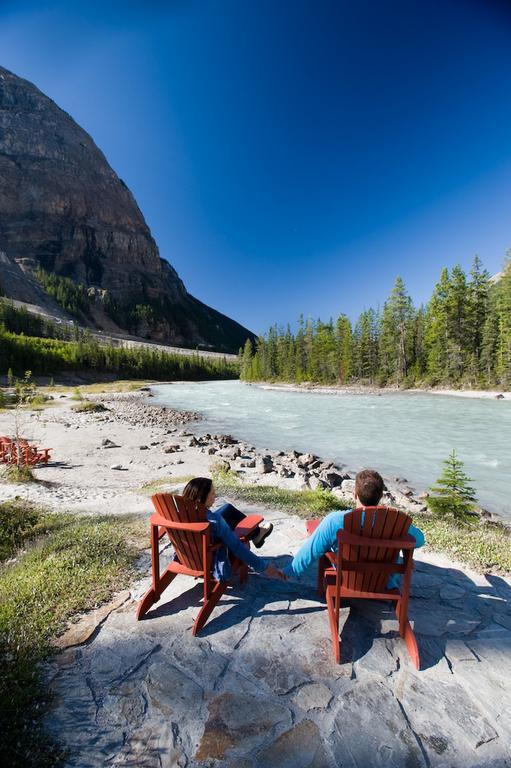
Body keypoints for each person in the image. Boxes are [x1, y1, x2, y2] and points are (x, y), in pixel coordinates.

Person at [283, 469, 425, 582]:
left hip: (348, 578)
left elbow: (311, 550)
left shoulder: (336, 520)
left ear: (354, 494)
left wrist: (288, 572)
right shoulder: (396, 522)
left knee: (323, 538)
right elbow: (419, 541)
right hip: (384, 580)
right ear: (381, 495)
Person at [182, 477, 285, 581]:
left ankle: (257, 533)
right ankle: (256, 533)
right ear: (202, 498)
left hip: (189, 556)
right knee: (236, 535)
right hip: (210, 558)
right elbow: (237, 547)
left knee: (227, 508)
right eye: (212, 494)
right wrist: (265, 567)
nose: (215, 496)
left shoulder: (179, 515)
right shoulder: (215, 522)